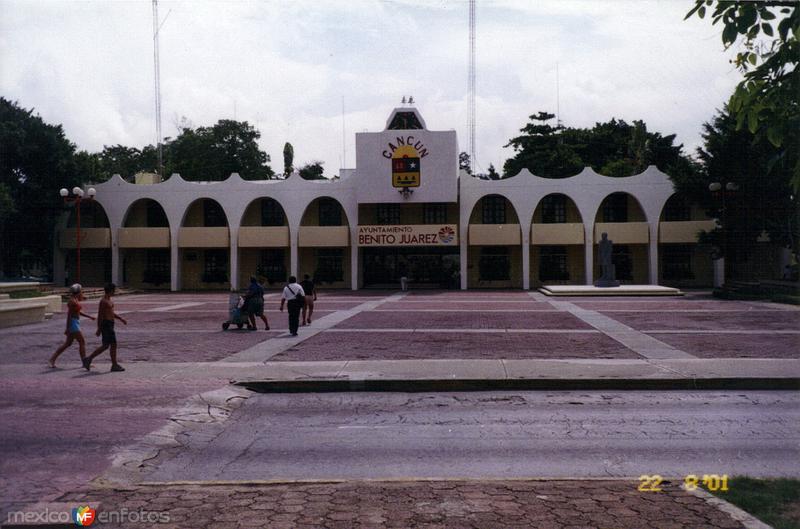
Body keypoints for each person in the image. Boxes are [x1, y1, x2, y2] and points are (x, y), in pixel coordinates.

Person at [49, 283, 95, 369]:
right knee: (82, 341)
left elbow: (77, 312)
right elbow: (69, 315)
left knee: (68, 343)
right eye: (81, 291)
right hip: (73, 324)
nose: (82, 292)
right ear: (78, 292)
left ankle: (52, 359)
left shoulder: (75, 300)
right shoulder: (72, 302)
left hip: (75, 322)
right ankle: (84, 362)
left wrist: (89, 316)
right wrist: (67, 328)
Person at [86, 283, 127, 372]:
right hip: (106, 324)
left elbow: (111, 313)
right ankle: (113, 364)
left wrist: (120, 318)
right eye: (114, 290)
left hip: (110, 324)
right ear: (111, 291)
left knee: (109, 345)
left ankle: (89, 359)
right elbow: (100, 315)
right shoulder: (103, 301)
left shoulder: (109, 300)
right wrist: (98, 329)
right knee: (108, 345)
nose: (115, 292)